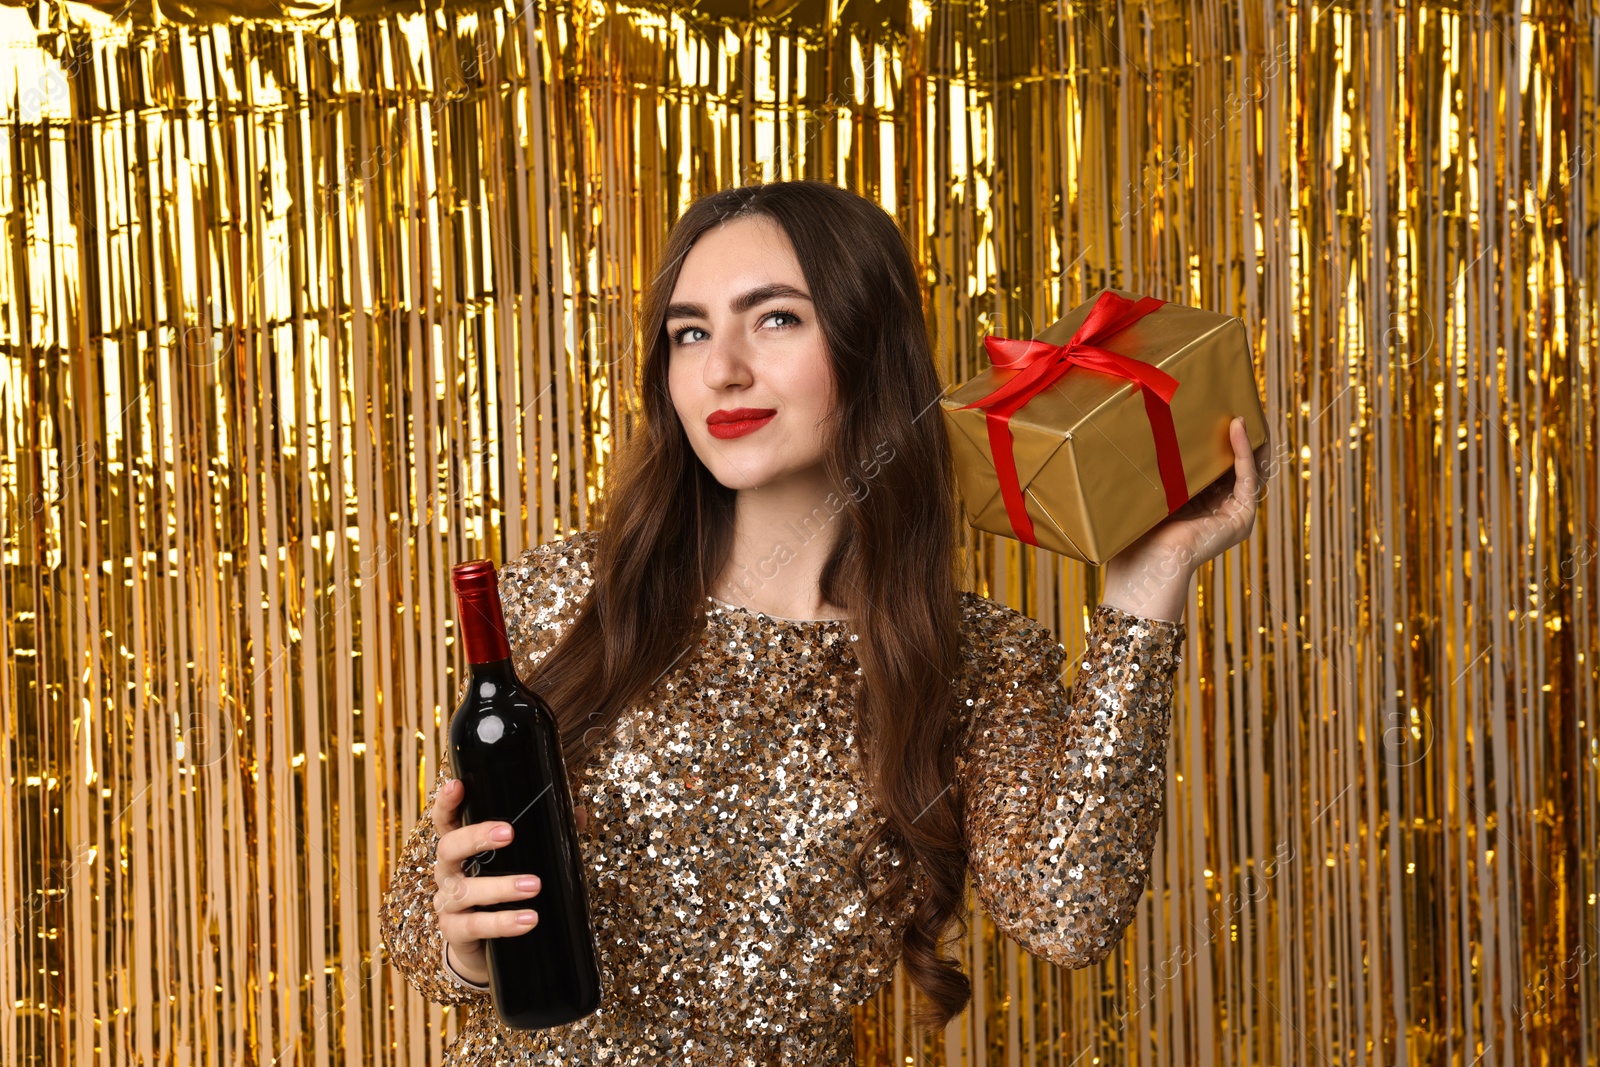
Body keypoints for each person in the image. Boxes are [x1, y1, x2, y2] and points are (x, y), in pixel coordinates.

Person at [378, 180, 1267, 1064]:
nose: (723, 367)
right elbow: (422, 912)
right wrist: (456, 935)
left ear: (868, 346)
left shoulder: (977, 659)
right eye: (691, 332)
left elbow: (1069, 914)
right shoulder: (566, 593)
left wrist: (1146, 591)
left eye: (774, 320)